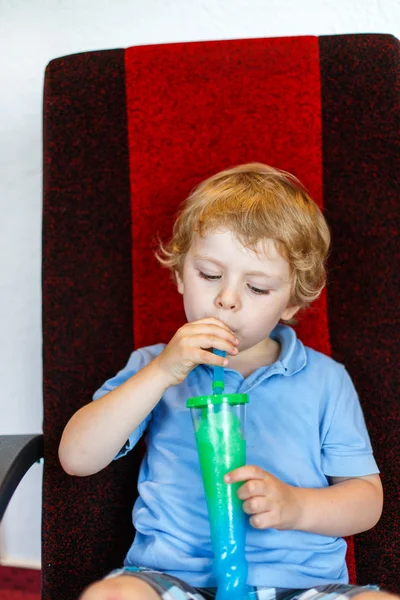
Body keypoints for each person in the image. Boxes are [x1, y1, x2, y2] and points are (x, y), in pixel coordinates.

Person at [59, 163, 395, 600]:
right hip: (175, 582)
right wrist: (162, 372)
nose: (227, 298)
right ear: (180, 273)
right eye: (210, 275)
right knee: (111, 597)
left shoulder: (326, 379)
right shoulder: (152, 366)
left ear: (292, 301)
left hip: (302, 586)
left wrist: (296, 507)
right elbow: (76, 457)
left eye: (257, 288)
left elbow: (367, 501)